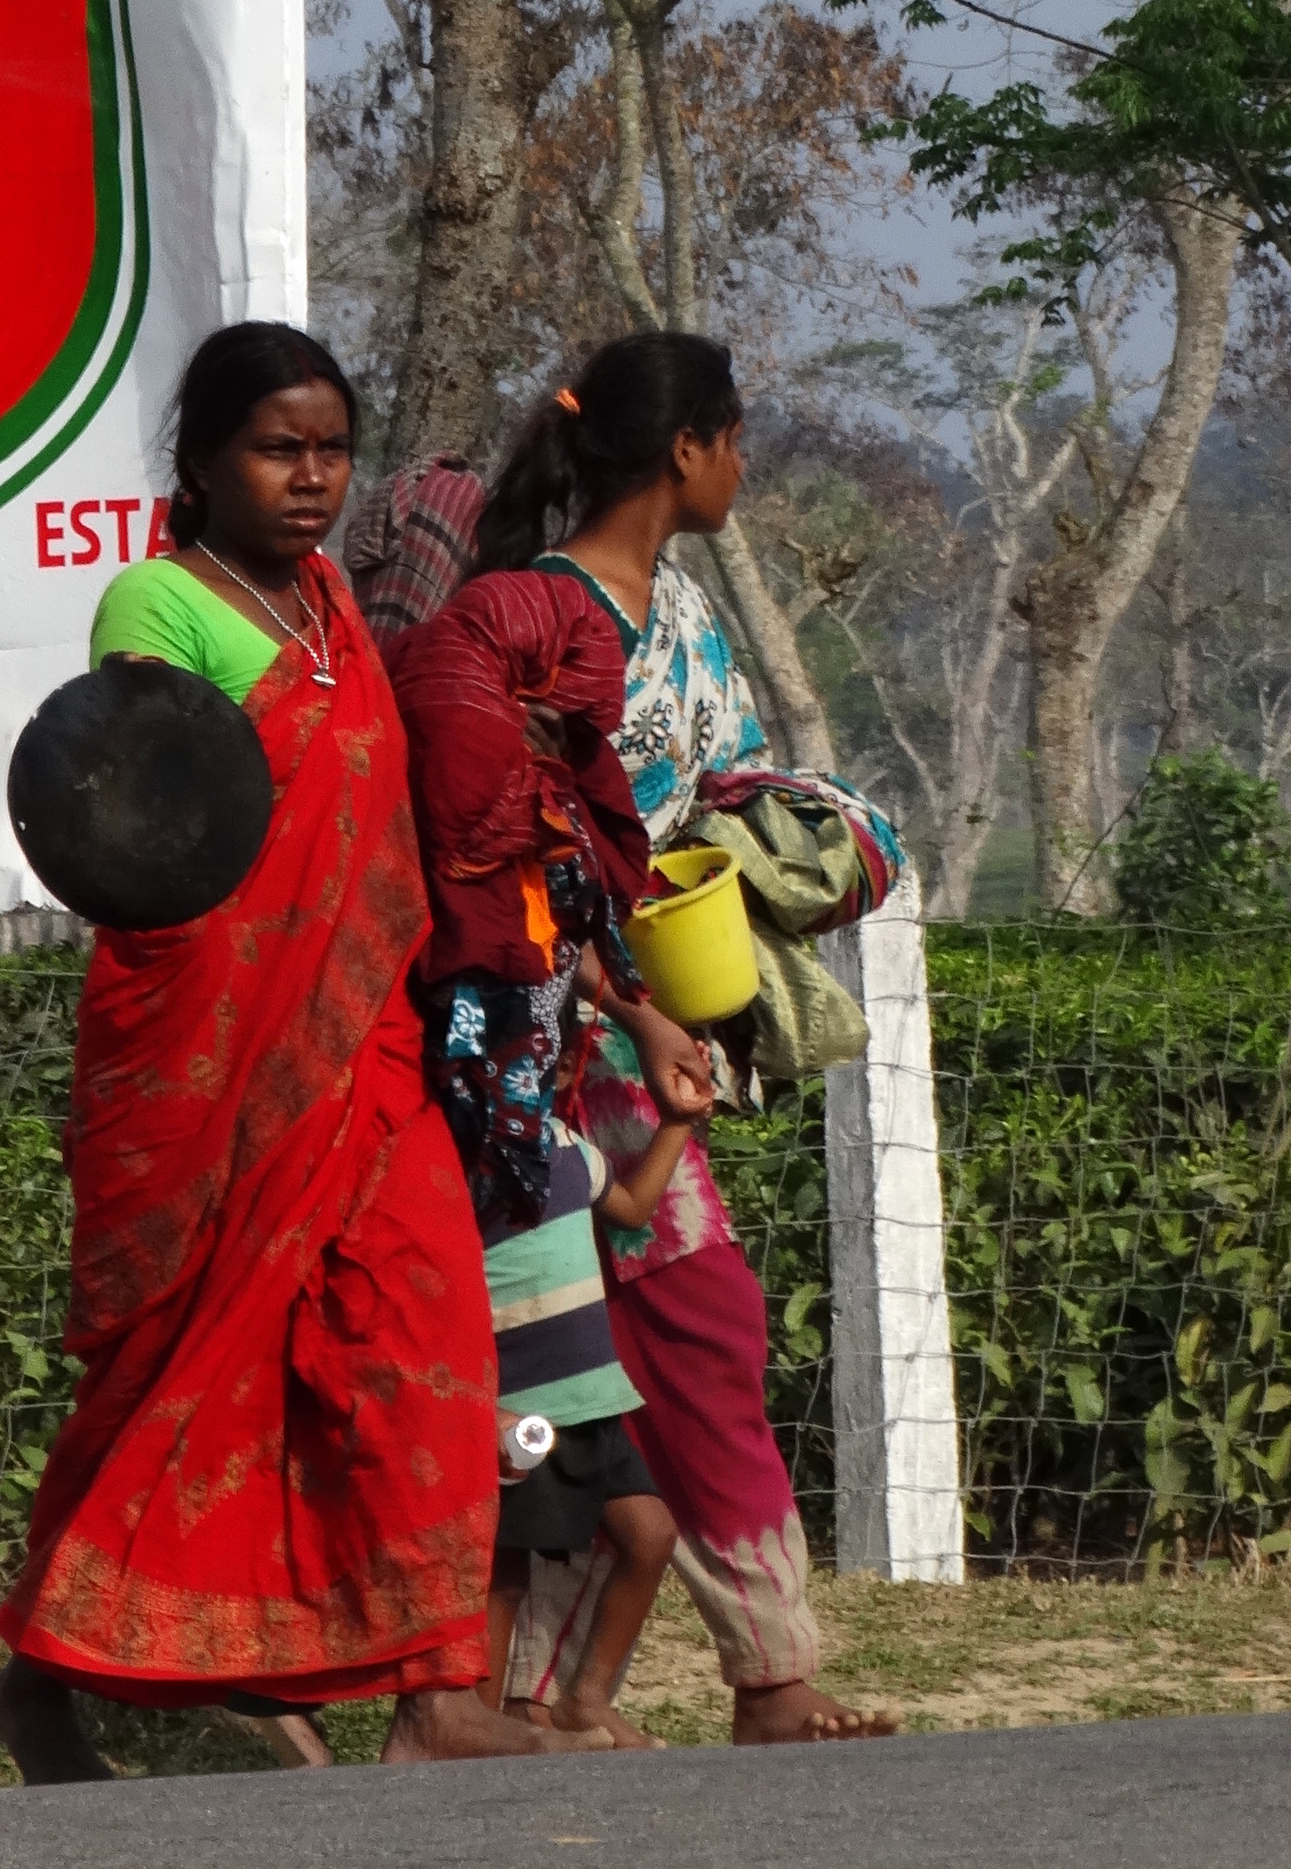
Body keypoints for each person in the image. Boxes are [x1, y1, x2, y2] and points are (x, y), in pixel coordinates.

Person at [0, 323, 601, 1783]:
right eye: (278, 446)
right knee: (184, 1375)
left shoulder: (332, 600)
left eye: (330, 446)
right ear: (201, 460)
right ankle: (41, 1674)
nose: (313, 477)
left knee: (421, 1341)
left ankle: (431, 1682)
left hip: (363, 1055)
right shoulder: (158, 603)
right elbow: (131, 818)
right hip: (207, 1065)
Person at [469, 333, 901, 1745]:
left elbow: (704, 789)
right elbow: (521, 853)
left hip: (641, 1016)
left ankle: (526, 1691)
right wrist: (633, 1004)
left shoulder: (680, 606)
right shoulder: (539, 619)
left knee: (589, 1367)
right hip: (564, 1040)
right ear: (686, 450)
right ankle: (761, 1673)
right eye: (734, 438)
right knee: (693, 1328)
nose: (740, 465)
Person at [381, 564, 651, 1235]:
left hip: (497, 1154)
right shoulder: (451, 736)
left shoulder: (557, 808)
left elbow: (600, 888)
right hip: (426, 1132)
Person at [481, 997, 706, 1750]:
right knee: (503, 1575)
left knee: (649, 1538)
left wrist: (676, 1121)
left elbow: (635, 1207)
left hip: (591, 1399)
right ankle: (473, 1728)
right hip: (521, 1406)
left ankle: (583, 1699)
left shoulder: (569, 1148)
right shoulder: (469, 1163)